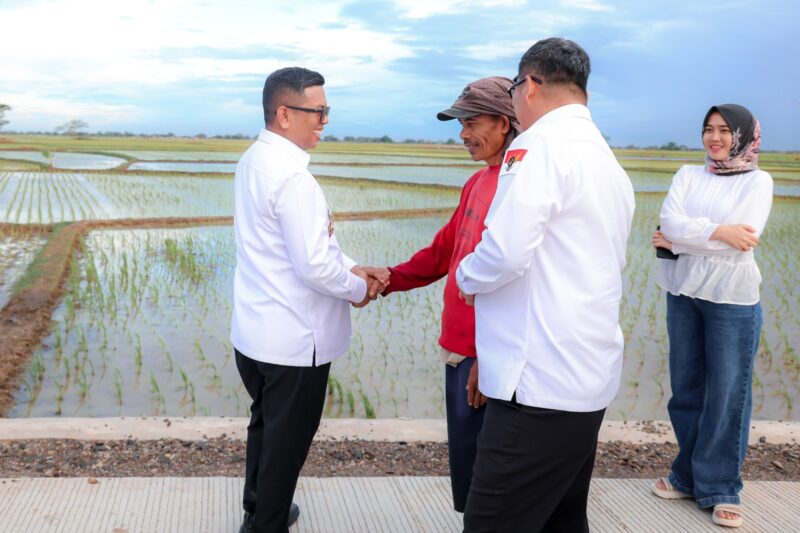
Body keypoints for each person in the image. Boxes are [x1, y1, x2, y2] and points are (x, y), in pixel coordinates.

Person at [455, 38, 635, 532]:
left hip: (536, 387)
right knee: (560, 519)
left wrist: (466, 277)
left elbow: (506, 250)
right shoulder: (605, 158)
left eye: (514, 88)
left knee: (491, 522)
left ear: (530, 86)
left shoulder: (535, 147)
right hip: (586, 380)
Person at [230, 66, 387, 533]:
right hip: (296, 341)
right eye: (317, 111)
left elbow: (304, 248)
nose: (324, 121)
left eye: (326, 111)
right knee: (287, 444)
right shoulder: (294, 179)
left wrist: (353, 266)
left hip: (257, 333)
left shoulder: (253, 160)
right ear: (284, 113)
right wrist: (360, 288)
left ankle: (258, 508)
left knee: (265, 427)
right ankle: (267, 525)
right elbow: (316, 265)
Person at [380, 76, 519, 512]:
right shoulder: (478, 183)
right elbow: (445, 251)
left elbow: (513, 280)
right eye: (460, 123)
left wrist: (488, 356)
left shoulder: (518, 188)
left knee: (492, 481)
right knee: (468, 468)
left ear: (503, 122)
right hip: (458, 349)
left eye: (470, 122)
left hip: (484, 358)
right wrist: (388, 277)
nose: (462, 134)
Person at [651, 104, 773, 529]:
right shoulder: (688, 175)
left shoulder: (759, 181)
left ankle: (722, 486)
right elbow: (669, 220)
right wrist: (718, 231)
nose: (715, 138)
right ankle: (687, 475)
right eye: (708, 129)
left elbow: (743, 239)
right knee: (685, 389)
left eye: (724, 130)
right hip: (682, 291)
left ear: (743, 136)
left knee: (726, 394)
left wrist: (683, 238)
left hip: (731, 298)